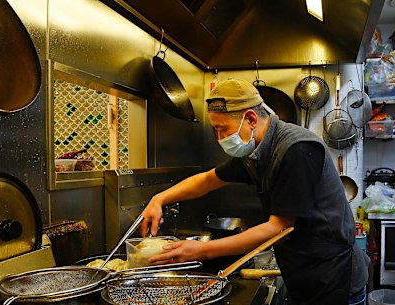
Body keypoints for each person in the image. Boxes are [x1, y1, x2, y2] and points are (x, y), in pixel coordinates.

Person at [140, 78, 369, 305]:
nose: (220, 138)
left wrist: (202, 250)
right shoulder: (256, 151)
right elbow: (209, 180)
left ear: (250, 118)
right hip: (303, 273)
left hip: (334, 278)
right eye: (215, 130)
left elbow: (278, 227)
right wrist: (160, 198)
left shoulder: (296, 149)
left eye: (222, 129)